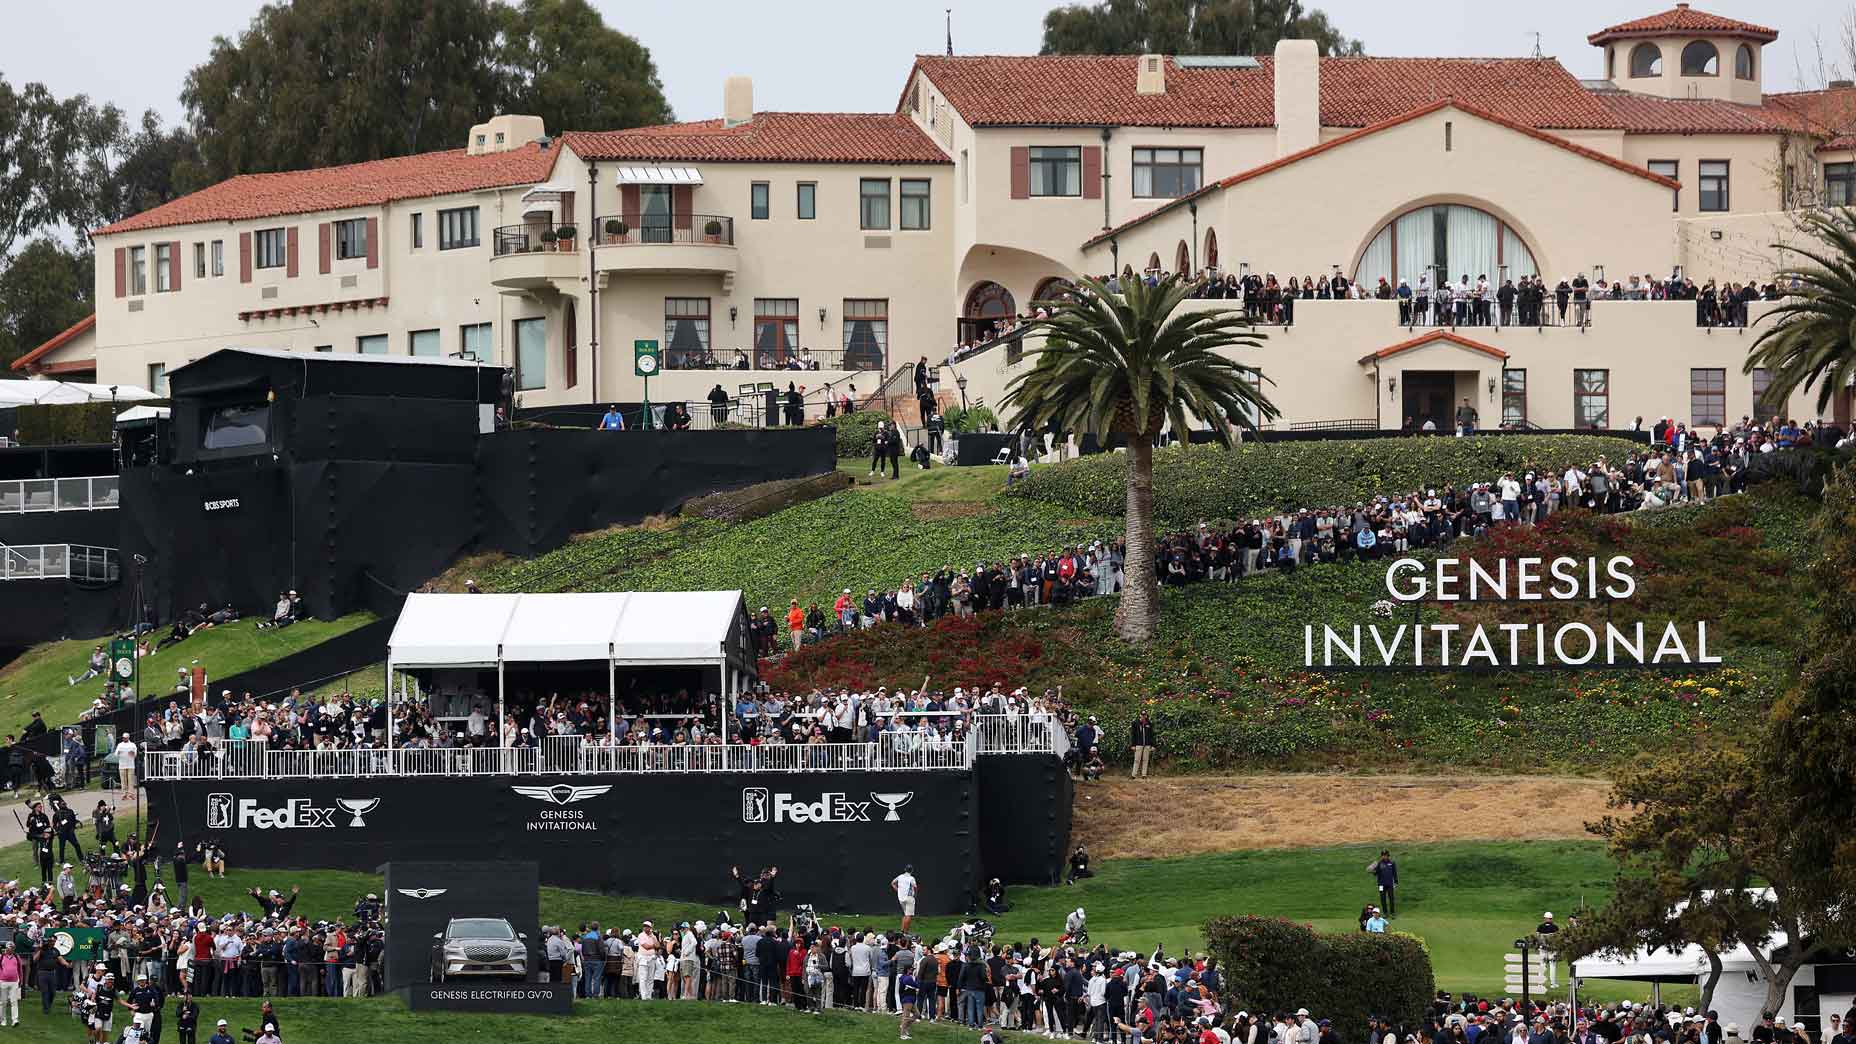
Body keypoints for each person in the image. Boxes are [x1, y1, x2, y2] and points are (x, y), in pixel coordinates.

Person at [1368, 849, 1398, 916]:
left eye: (1386, 855)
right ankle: (1385, 913)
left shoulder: (1392, 863)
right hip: (1381, 885)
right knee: (1383, 899)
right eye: (1383, 855)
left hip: (1390, 884)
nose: (1384, 857)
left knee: (1391, 898)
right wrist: (1372, 871)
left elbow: (1394, 873)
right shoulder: (1378, 863)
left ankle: (1392, 913)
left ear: (1388, 856)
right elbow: (1376, 873)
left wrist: (1396, 882)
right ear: (1381, 856)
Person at [1129, 712, 1157, 779]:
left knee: (1145, 760)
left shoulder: (1149, 723)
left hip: (1147, 744)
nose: (1143, 716)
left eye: (1145, 715)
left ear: (1146, 716)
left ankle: (1144, 775)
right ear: (1140, 715)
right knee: (1137, 760)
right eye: (1142, 715)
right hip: (1138, 744)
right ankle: (1133, 775)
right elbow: (1133, 735)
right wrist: (1133, 745)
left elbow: (1152, 735)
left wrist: (1153, 745)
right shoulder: (1135, 723)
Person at [892, 864, 918, 934]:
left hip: (901, 898)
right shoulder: (911, 878)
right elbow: (915, 887)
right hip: (909, 898)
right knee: (908, 915)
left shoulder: (900, 877)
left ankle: (902, 931)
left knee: (905, 914)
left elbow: (893, 883)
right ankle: (905, 932)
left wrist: (898, 891)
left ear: (905, 869)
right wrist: (915, 894)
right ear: (912, 871)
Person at [1536, 911, 1560, 988]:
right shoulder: (1555, 927)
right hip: (1552, 949)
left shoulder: (1540, 927)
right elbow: (1558, 938)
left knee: (1542, 965)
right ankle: (1553, 984)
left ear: (1545, 918)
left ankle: (1540, 983)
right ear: (1551, 919)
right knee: (1552, 965)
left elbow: (1537, 937)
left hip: (1542, 948)